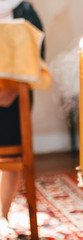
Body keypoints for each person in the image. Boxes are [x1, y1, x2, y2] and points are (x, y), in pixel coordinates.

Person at [0, 0, 44, 238]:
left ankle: (1, 215)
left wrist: (11, 90)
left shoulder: (25, 11)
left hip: (13, 99)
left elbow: (37, 57)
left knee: (11, 154)